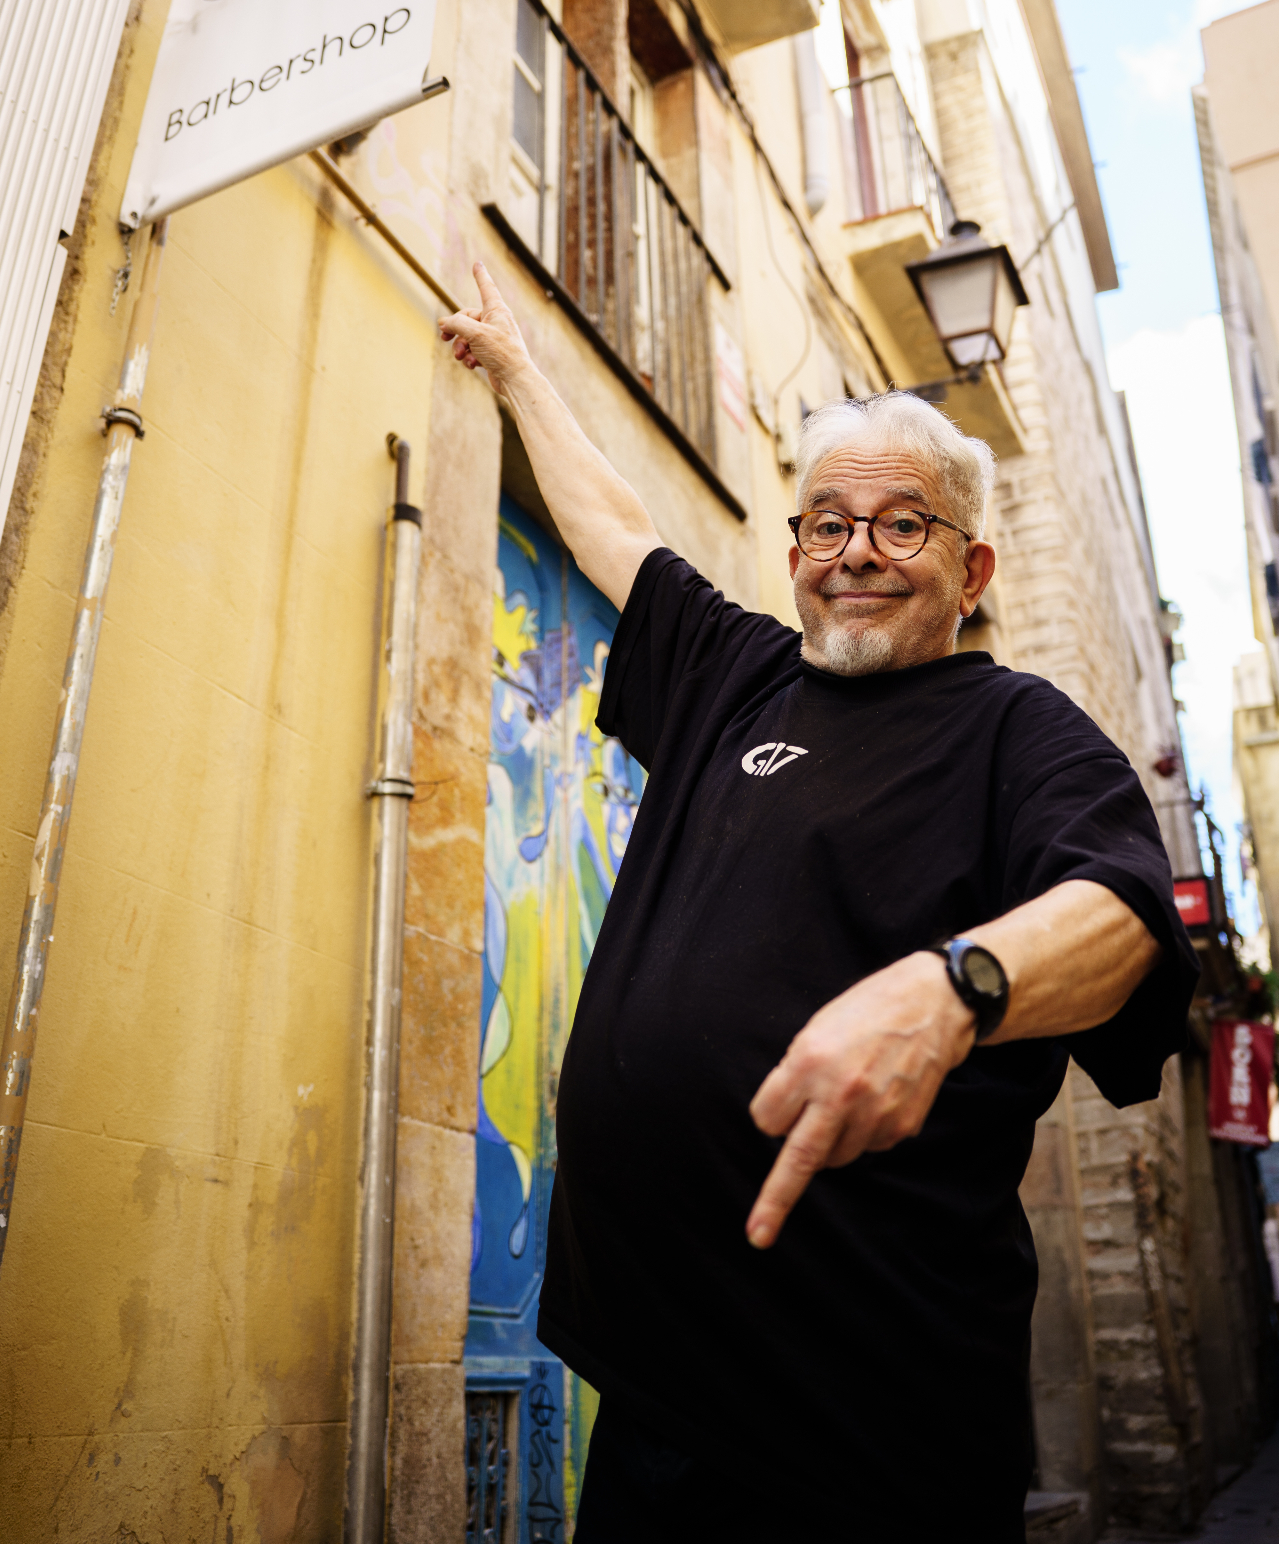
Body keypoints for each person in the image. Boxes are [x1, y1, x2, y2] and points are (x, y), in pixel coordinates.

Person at [441, 264, 1198, 1541]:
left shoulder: (1022, 731)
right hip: (655, 1389)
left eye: (902, 524)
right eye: (827, 524)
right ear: (793, 552)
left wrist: (954, 989)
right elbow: (617, 532)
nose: (855, 551)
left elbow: (1123, 919)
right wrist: (519, 372)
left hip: (863, 1432)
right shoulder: (739, 678)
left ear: (971, 570)